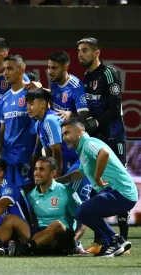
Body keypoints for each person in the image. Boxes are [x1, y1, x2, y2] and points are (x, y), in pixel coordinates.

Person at [57, 118, 137, 257]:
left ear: (79, 132)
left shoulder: (89, 143)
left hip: (121, 193)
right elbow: (81, 173)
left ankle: (115, 241)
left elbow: (104, 153)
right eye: (63, 134)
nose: (64, 138)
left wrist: (98, 177)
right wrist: (58, 181)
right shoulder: (82, 149)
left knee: (82, 211)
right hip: (116, 192)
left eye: (67, 133)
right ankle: (112, 242)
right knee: (85, 211)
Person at [77, 38, 130, 246]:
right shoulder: (87, 76)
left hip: (113, 137)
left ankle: (123, 238)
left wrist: (94, 123)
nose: (81, 54)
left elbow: (115, 110)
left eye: (85, 51)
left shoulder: (109, 74)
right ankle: (102, 239)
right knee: (95, 186)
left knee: (118, 184)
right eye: (79, 51)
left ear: (97, 52)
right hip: (96, 138)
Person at [0, 157, 82, 257]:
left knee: (56, 224)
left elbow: (83, 220)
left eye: (41, 169)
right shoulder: (31, 195)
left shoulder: (66, 192)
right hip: (41, 236)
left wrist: (74, 241)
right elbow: (32, 219)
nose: (36, 173)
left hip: (62, 238)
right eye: (35, 169)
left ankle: (24, 248)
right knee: (10, 218)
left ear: (53, 173)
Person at [27, 88, 92, 202]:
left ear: (42, 104)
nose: (28, 108)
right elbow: (49, 154)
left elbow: (57, 154)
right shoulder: (38, 124)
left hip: (82, 159)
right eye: (27, 104)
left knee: (76, 202)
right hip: (69, 161)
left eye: (32, 104)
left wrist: (54, 182)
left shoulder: (50, 120)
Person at [0, 38, 30, 154]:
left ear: (5, 53)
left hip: (12, 143)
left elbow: (33, 91)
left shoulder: (18, 77)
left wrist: (38, 85)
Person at [0, 55, 35, 191]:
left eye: (10, 69)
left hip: (26, 156)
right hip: (8, 157)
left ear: (21, 69)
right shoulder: (4, 99)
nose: (5, 73)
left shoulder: (32, 94)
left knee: (30, 196)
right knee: (9, 195)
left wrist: (36, 154)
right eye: (4, 69)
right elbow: (2, 129)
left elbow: (39, 125)